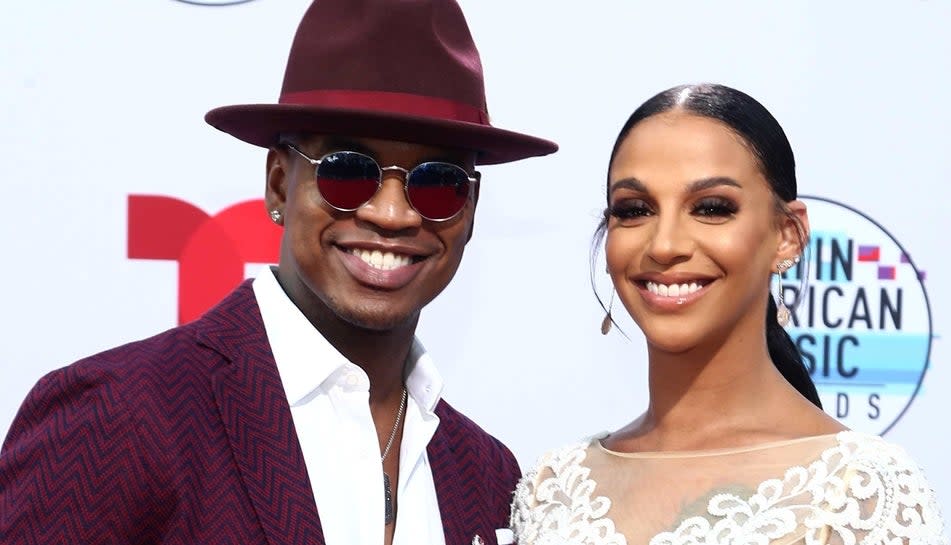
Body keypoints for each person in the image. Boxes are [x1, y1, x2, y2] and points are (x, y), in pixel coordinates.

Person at [0, 1, 556, 544]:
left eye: (438, 183)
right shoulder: (121, 415)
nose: (390, 214)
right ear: (277, 186)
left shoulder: (487, 477)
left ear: (471, 210)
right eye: (348, 172)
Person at [510, 84, 946, 545]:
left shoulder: (859, 491)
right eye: (635, 210)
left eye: (712, 208)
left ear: (788, 235)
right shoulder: (552, 488)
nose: (664, 245)